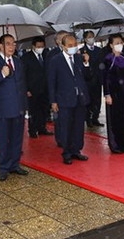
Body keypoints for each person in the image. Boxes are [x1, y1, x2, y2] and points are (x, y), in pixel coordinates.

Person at [0, 34, 29, 182]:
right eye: (8, 44)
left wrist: (25, 105)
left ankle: (15, 164)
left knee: (16, 138)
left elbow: (22, 84)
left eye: (13, 44)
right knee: (3, 139)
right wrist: (1, 74)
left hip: (19, 107)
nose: (11, 47)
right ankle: (3, 167)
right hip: (3, 107)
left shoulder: (18, 62)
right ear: (0, 46)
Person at [47, 33, 91, 165]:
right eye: (70, 45)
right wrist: (53, 101)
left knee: (78, 126)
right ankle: (66, 153)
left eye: (75, 45)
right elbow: (51, 82)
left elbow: (87, 77)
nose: (73, 47)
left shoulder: (78, 58)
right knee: (66, 127)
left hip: (80, 98)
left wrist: (87, 63)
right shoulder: (56, 60)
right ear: (63, 46)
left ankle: (76, 150)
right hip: (64, 99)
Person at [102, 34, 124, 153]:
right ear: (111, 45)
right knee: (115, 118)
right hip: (114, 91)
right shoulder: (108, 58)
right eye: (116, 43)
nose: (119, 45)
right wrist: (107, 94)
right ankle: (116, 144)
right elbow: (105, 77)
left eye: (120, 42)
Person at [21, 36, 53, 138]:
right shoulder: (26, 58)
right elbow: (23, 75)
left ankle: (42, 128)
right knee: (33, 111)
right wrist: (26, 89)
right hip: (32, 90)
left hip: (44, 88)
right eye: (38, 46)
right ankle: (33, 130)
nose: (40, 48)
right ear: (33, 46)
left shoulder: (46, 55)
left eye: (42, 46)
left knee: (44, 110)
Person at [81, 30, 104, 127]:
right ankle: (88, 119)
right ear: (85, 39)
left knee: (97, 100)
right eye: (89, 37)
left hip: (98, 79)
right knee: (89, 100)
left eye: (92, 36)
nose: (91, 38)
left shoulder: (99, 50)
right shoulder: (82, 51)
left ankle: (95, 117)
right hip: (88, 80)